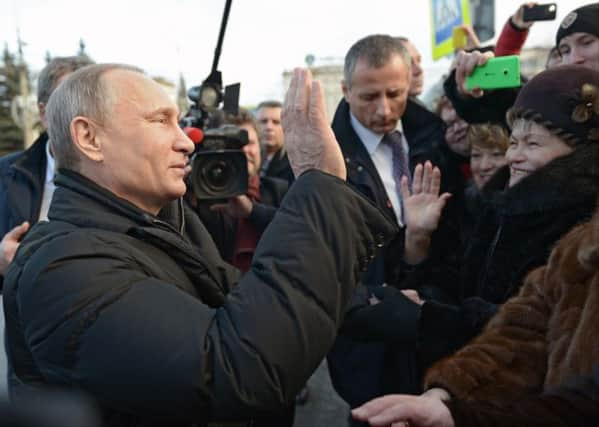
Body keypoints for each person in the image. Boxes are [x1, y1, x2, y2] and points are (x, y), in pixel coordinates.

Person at [2, 64, 397, 426]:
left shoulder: (164, 224)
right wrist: (320, 187)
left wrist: (401, 313)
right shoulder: (63, 269)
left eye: (181, 122)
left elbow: (245, 301)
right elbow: (238, 370)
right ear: (89, 138)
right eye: (160, 121)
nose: (188, 143)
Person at [392, 64, 599, 386]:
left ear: (581, 153)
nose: (514, 156)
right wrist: (418, 240)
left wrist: (435, 318)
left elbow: (543, 334)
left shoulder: (584, 231)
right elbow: (458, 283)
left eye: (532, 144)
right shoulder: (498, 206)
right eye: (514, 143)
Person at [326, 34, 466, 414]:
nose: (385, 110)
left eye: (395, 93)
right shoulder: (322, 161)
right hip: (367, 347)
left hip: (433, 334)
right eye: (369, 97)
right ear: (345, 90)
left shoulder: (439, 140)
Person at [0, 56, 93, 284]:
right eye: (70, 104)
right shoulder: (6, 174)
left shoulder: (129, 172)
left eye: (93, 103)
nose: (84, 117)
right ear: (44, 114)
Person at [445, 2, 599, 125]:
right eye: (564, 50)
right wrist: (468, 88)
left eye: (586, 42)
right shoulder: (551, 106)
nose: (573, 59)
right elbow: (500, 107)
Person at [190, 108, 288, 273]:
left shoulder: (279, 190)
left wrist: (253, 212)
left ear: (260, 147)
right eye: (232, 144)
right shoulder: (200, 197)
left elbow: (297, 234)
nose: (243, 151)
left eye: (249, 143)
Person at [256, 100, 294, 185]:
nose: (269, 127)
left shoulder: (293, 164)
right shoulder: (247, 157)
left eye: (276, 122)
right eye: (263, 121)